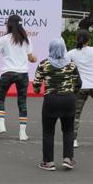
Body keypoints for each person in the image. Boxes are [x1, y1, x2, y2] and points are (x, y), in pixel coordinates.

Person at [32, 39, 81, 170]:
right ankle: (68, 159)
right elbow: (78, 83)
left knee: (48, 132)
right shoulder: (71, 64)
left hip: (51, 100)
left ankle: (48, 162)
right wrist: (72, 92)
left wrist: (37, 90)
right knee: (68, 130)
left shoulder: (44, 64)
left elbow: (36, 84)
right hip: (68, 99)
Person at [0, 14, 36, 141]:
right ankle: (22, 133)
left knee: (1, 98)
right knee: (22, 102)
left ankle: (1, 124)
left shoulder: (3, 39)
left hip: (8, 73)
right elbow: (31, 58)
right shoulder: (26, 39)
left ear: (9, 24)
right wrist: (34, 58)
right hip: (23, 74)